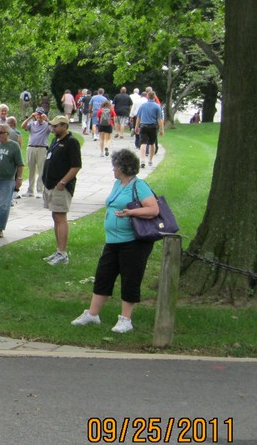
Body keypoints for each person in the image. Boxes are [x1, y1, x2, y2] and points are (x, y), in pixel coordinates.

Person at [71, 149, 159, 334]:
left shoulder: (139, 185)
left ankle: (125, 319)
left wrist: (130, 212)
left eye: (115, 166)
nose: (113, 169)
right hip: (113, 241)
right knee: (103, 276)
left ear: (123, 167)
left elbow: (153, 209)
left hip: (133, 242)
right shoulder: (118, 184)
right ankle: (92, 314)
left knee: (130, 279)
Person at [40, 117, 82, 265]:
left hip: (61, 186)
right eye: (52, 126)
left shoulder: (71, 142)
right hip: (50, 184)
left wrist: (63, 182)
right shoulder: (55, 140)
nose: (53, 129)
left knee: (60, 217)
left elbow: (76, 166)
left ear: (64, 126)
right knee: (55, 216)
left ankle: (63, 253)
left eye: (56, 126)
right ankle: (58, 250)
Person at [0, 126, 24, 238]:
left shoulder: (14, 146)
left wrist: (19, 178)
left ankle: (0, 228)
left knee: (4, 206)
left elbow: (20, 164)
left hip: (7, 180)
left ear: (7, 134)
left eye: (1, 132)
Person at [22, 108, 51, 197]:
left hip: (42, 148)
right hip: (31, 147)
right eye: (37, 115)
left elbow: (54, 129)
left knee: (41, 169)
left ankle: (39, 190)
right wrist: (30, 117)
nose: (39, 116)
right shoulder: (32, 124)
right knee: (31, 169)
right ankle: (30, 190)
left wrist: (47, 119)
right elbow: (23, 126)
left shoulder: (47, 125)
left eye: (41, 114)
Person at [134, 89, 165, 168]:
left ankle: (142, 160)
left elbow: (138, 117)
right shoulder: (157, 106)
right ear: (154, 97)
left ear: (147, 96)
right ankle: (150, 160)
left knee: (143, 143)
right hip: (153, 126)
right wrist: (162, 129)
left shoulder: (143, 106)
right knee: (152, 143)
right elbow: (160, 119)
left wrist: (136, 127)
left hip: (143, 126)